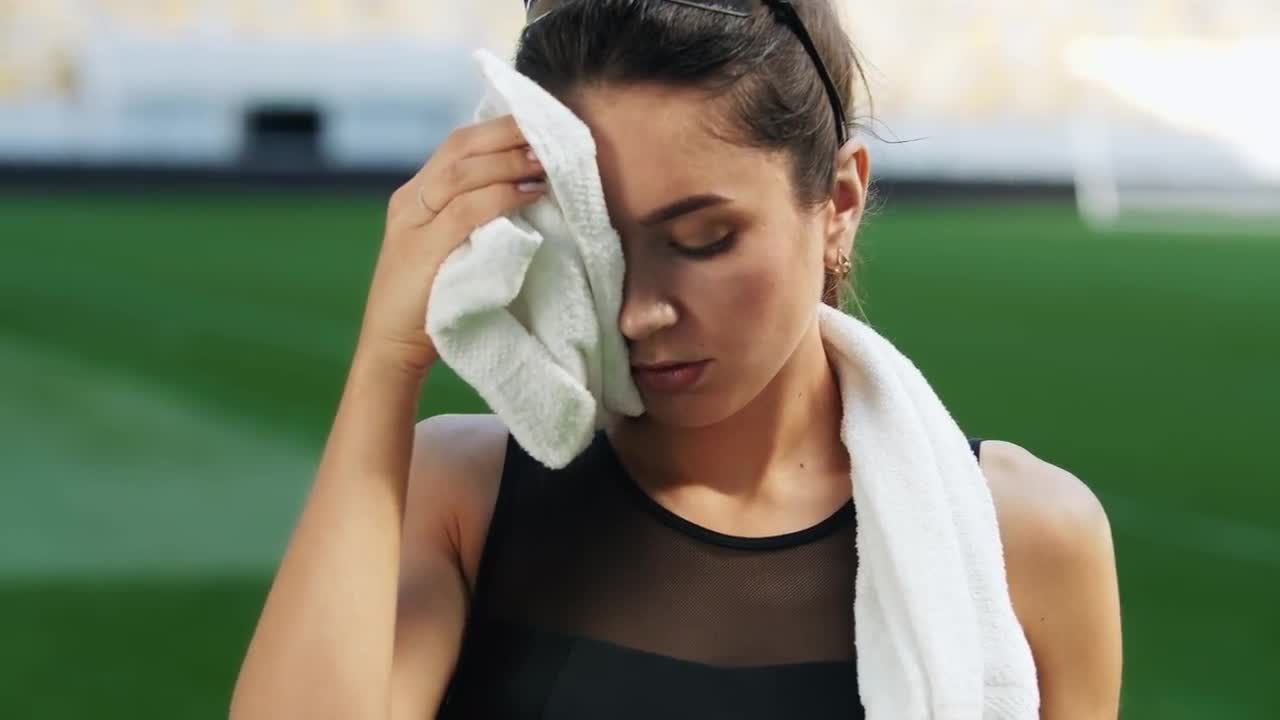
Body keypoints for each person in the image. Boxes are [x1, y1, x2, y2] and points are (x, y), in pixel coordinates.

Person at [229, 1, 1122, 718]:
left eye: (702, 239)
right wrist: (389, 359)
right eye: (595, 243)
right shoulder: (461, 499)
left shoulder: (1029, 540)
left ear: (839, 201)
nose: (637, 310)